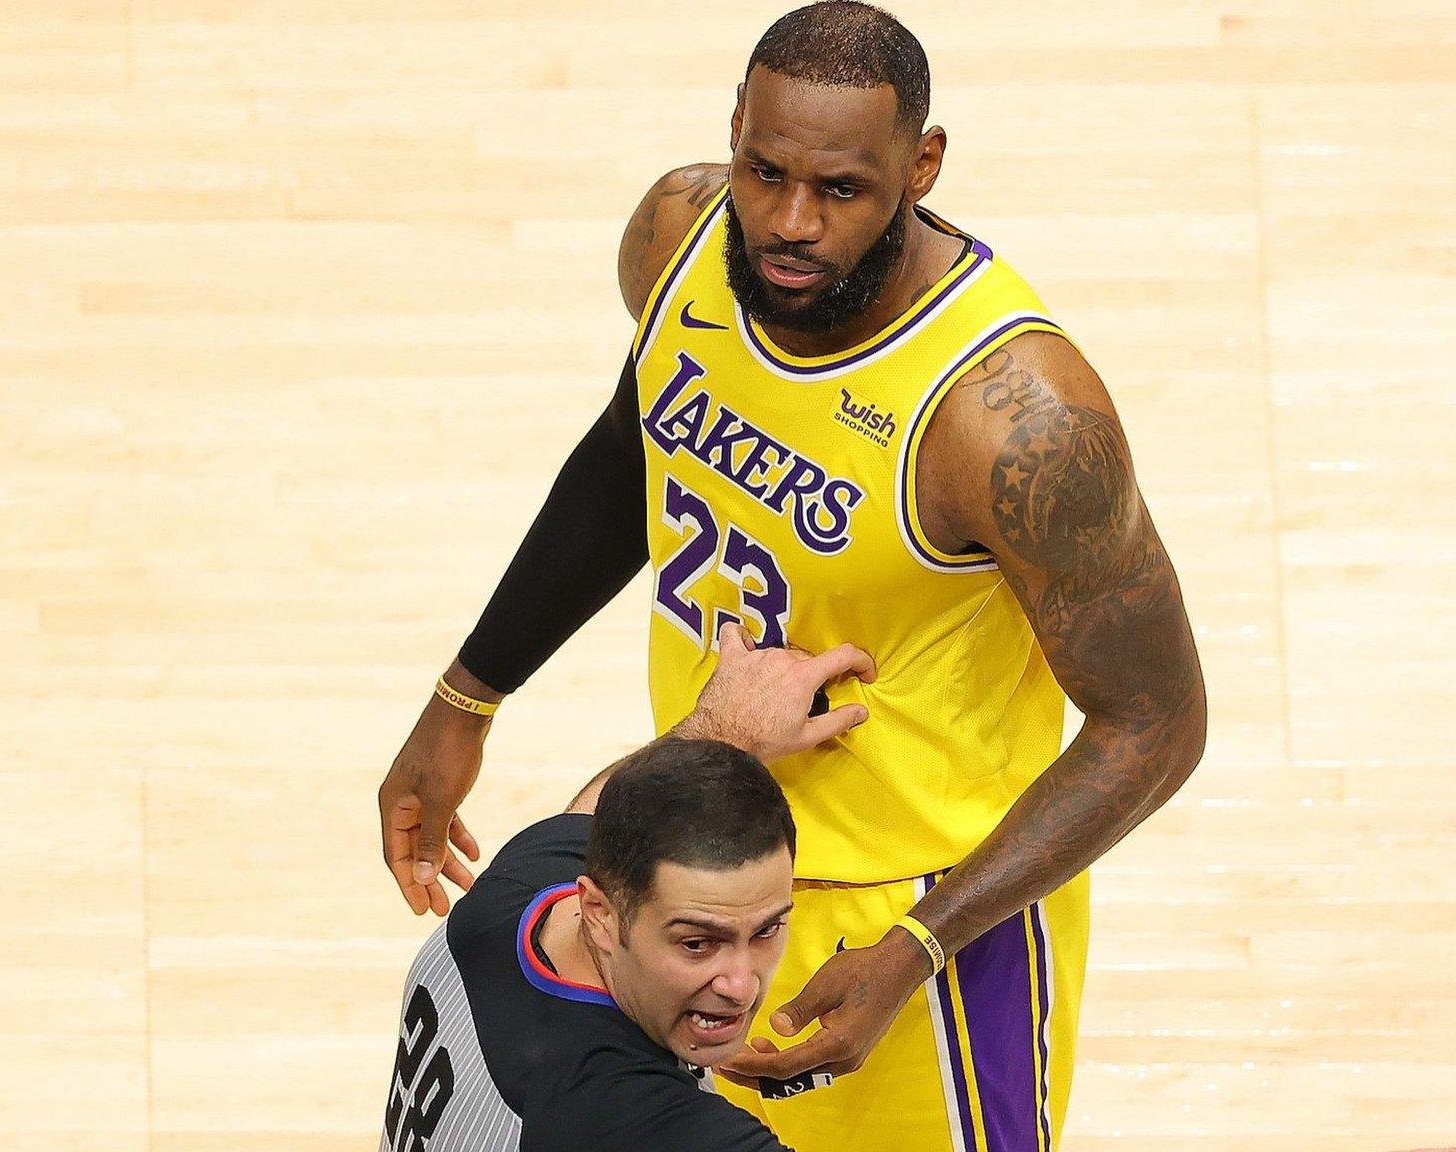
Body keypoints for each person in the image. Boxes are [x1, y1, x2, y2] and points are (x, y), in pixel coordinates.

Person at [377, 3, 1208, 1148]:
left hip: (920, 927)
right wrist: (468, 695)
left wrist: (920, 947)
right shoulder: (677, 238)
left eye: (840, 190)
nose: (787, 222)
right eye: (761, 172)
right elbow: (633, 457)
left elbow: (1157, 723)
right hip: (694, 870)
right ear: (730, 133)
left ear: (919, 167)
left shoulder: (1012, 423)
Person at [382, 622, 871, 1151]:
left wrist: (726, 727)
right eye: (697, 942)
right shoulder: (629, 1115)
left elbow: (599, 810)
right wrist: (919, 948)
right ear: (598, 911)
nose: (741, 984)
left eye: (767, 930)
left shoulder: (517, 890)